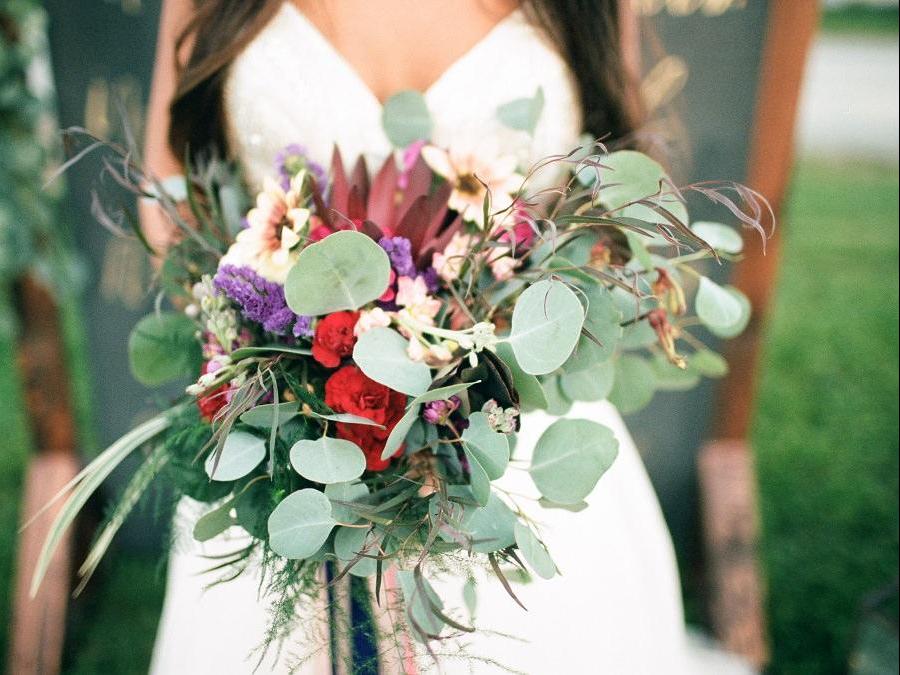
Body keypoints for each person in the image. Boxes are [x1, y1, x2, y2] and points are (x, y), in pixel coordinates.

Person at [143, 2, 744, 673]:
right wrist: (286, 366)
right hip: (284, 437)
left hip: (514, 429)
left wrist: (465, 346)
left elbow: (618, 186)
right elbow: (164, 195)